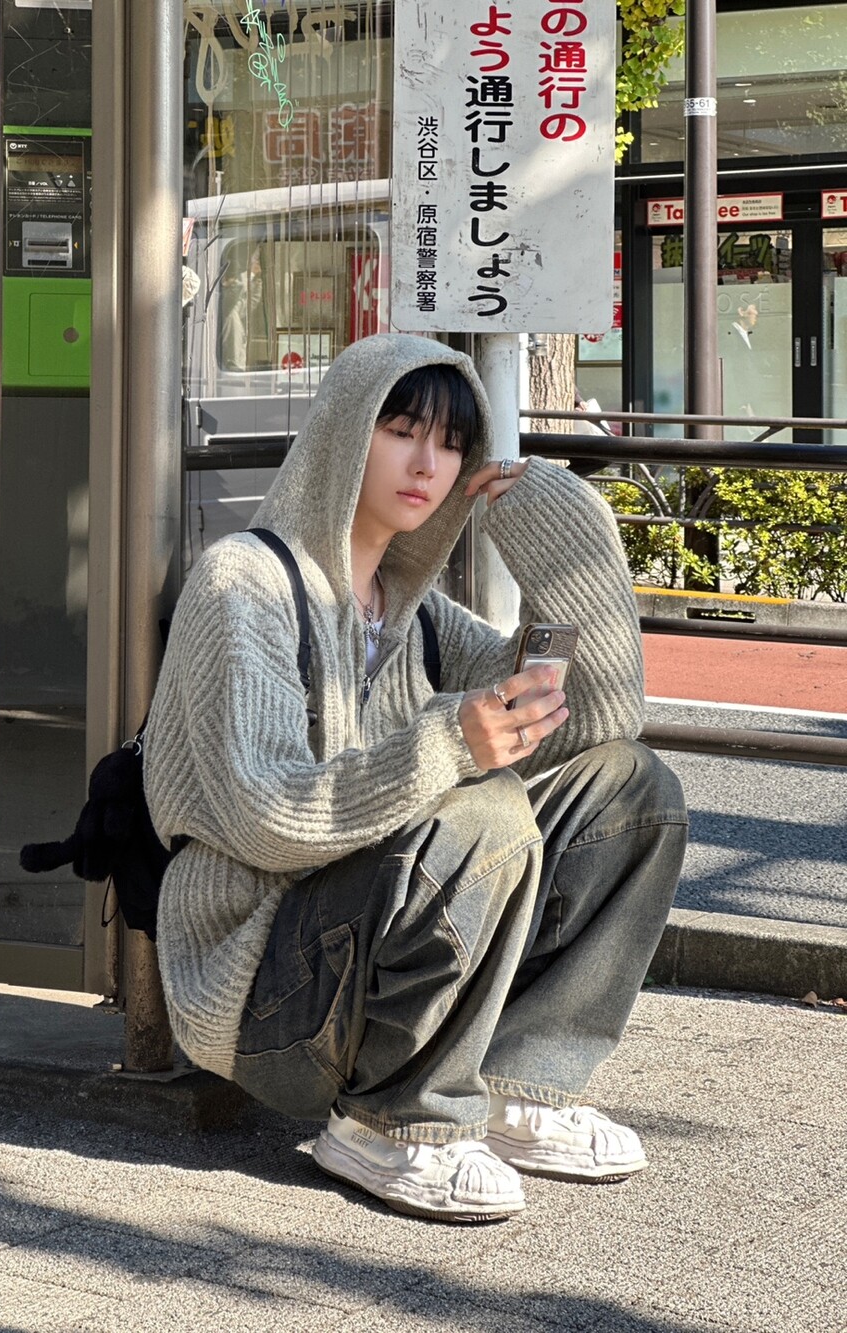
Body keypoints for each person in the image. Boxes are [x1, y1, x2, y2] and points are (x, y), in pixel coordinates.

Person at [144, 333, 688, 1224]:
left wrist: (561, 532)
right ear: (344, 434)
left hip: (350, 955)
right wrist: (446, 744)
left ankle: (517, 1085)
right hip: (259, 988)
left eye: (450, 443)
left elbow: (598, 718)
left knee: (633, 789)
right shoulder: (242, 582)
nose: (427, 463)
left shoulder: (421, 618)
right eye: (400, 431)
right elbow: (265, 814)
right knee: (485, 806)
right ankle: (392, 1117)